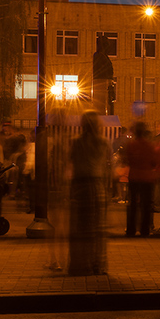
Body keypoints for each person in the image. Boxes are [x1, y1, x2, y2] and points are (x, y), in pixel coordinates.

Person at [68, 111, 111, 275]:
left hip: (79, 186)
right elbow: (108, 168)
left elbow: (70, 164)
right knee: (98, 228)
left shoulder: (76, 143)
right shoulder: (103, 143)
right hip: (97, 185)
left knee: (80, 228)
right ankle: (98, 264)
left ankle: (80, 264)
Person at [123, 121, 157, 237]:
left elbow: (127, 159)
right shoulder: (150, 145)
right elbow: (154, 162)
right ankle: (145, 229)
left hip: (134, 177)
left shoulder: (131, 145)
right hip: (147, 178)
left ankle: (131, 229)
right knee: (146, 204)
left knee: (133, 204)